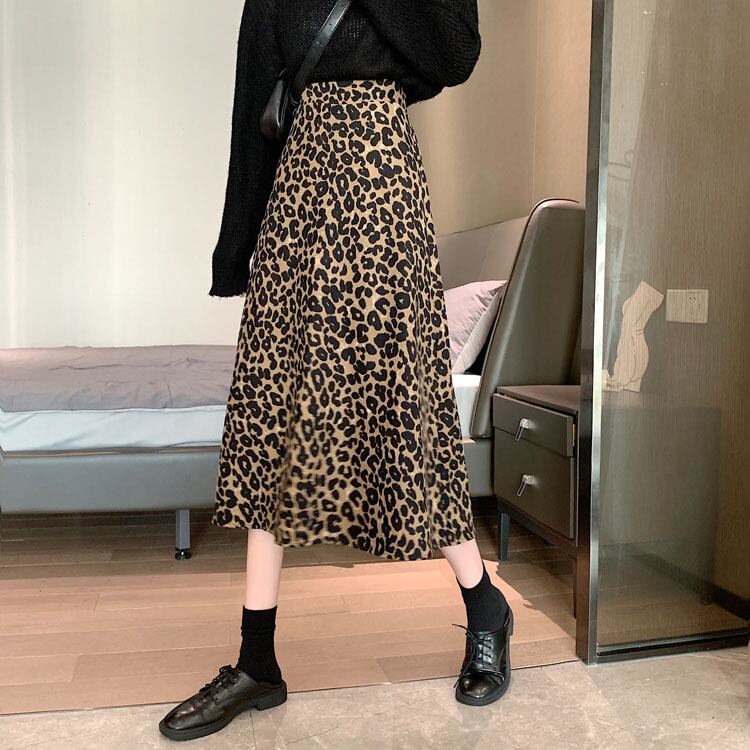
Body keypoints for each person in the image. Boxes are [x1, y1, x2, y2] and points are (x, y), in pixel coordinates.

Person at [159, 0, 512, 741]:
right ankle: (257, 661)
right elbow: (252, 109)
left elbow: (455, 55)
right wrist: (236, 248)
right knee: (271, 413)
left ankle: (485, 606)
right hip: (296, 203)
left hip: (384, 195)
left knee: (405, 407)